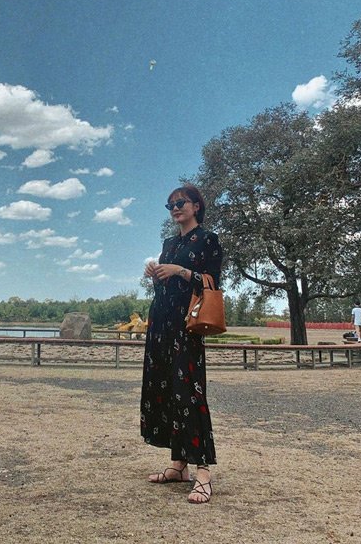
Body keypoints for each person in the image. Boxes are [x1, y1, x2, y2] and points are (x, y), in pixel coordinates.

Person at [140, 184, 222, 504]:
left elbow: (212, 283)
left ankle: (203, 471)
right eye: (170, 204)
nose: (175, 208)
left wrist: (180, 270)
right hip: (161, 322)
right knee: (166, 391)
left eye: (180, 202)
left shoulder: (207, 240)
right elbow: (165, 283)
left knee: (190, 391)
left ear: (197, 206)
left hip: (186, 325)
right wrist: (156, 273)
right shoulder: (169, 242)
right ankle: (179, 465)